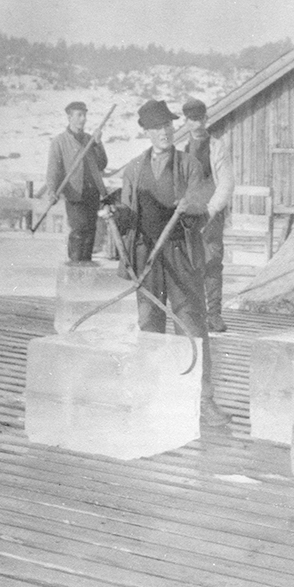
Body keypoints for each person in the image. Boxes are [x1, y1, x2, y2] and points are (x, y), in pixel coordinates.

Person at [102, 99, 231, 427]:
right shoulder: (133, 168)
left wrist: (189, 207)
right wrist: (115, 215)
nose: (164, 132)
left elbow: (202, 204)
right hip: (146, 255)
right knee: (150, 326)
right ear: (145, 131)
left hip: (179, 252)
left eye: (168, 126)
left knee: (191, 323)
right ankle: (152, 394)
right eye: (156, 127)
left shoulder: (189, 165)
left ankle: (204, 400)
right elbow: (130, 216)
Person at [181, 97, 235, 333]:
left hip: (211, 213)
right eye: (192, 120)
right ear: (187, 122)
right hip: (188, 215)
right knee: (189, 263)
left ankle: (213, 315)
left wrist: (212, 210)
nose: (197, 124)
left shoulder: (217, 147)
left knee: (212, 263)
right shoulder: (180, 149)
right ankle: (193, 313)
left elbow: (226, 182)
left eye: (200, 118)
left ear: (206, 119)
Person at [46, 101, 108, 263]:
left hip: (92, 192)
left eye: (84, 115)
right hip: (74, 194)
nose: (83, 119)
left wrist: (98, 143)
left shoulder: (90, 139)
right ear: (69, 117)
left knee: (90, 232)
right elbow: (54, 170)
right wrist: (52, 191)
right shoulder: (59, 141)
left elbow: (102, 164)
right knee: (79, 230)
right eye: (79, 115)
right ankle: (74, 267)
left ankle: (85, 270)